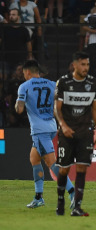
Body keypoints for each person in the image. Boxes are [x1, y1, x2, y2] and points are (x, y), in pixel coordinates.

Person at [14, 60, 75, 209]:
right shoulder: (52, 84)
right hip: (51, 126)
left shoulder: (24, 87)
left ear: (28, 72)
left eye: (24, 73)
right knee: (34, 158)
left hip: (39, 130)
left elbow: (19, 109)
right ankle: (38, 197)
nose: (24, 76)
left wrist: (18, 102)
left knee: (52, 164)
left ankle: (73, 192)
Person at [54, 51, 96, 216]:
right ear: (74, 65)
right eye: (83, 64)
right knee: (64, 170)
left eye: (87, 64)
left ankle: (77, 207)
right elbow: (57, 108)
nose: (86, 68)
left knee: (82, 168)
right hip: (67, 133)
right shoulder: (64, 82)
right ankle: (60, 201)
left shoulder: (93, 83)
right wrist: (63, 125)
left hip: (85, 133)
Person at [0, 8, 33, 78]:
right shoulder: (5, 29)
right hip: (5, 58)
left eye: (13, 15)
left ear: (19, 16)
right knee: (2, 76)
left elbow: (28, 43)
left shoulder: (24, 30)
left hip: (19, 59)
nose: (11, 16)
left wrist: (30, 56)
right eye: (10, 14)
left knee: (18, 77)